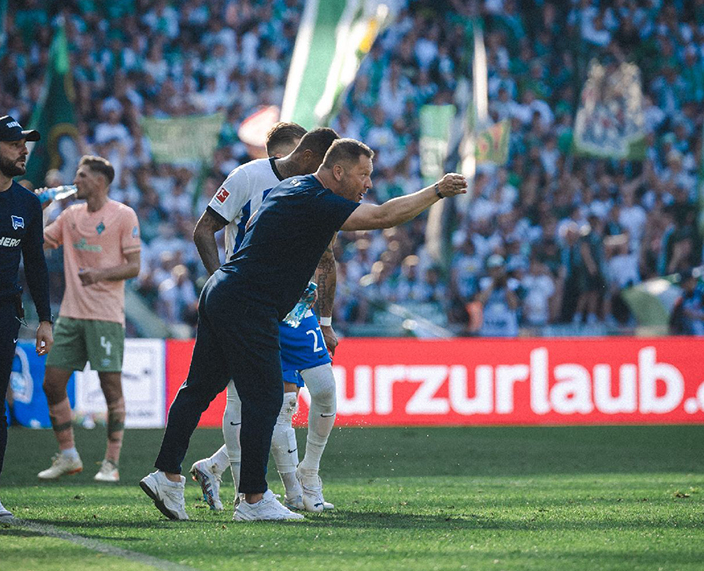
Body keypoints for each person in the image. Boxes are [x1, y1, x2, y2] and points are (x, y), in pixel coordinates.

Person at [141, 137, 467, 522]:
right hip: (249, 301)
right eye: (363, 175)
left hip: (224, 291)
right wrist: (436, 191)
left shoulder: (293, 188)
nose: (367, 184)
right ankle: (253, 500)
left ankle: (166, 474)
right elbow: (380, 217)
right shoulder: (316, 198)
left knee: (198, 390)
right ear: (338, 171)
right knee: (265, 399)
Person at [188, 123, 341, 513]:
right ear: (287, 154)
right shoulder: (250, 178)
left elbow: (327, 257)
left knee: (320, 390)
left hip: (297, 306)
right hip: (252, 301)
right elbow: (204, 229)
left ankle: (296, 475)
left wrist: (325, 321)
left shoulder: (316, 191)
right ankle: (273, 492)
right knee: (267, 403)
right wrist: (224, 285)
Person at [36, 155, 141, 483]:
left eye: (81, 175)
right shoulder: (70, 216)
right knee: (52, 384)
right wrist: (37, 210)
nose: (75, 180)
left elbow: (134, 266)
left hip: (106, 317)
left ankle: (111, 462)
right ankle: (69, 454)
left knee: (111, 389)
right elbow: (38, 243)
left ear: (100, 181)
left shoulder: (123, 215)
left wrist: (99, 274)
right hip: (70, 314)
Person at [0, 115, 54, 522]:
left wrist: (45, 320)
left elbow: (35, 264)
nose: (24, 150)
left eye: (25, 143)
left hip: (5, 314)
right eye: (15, 143)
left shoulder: (27, 203)